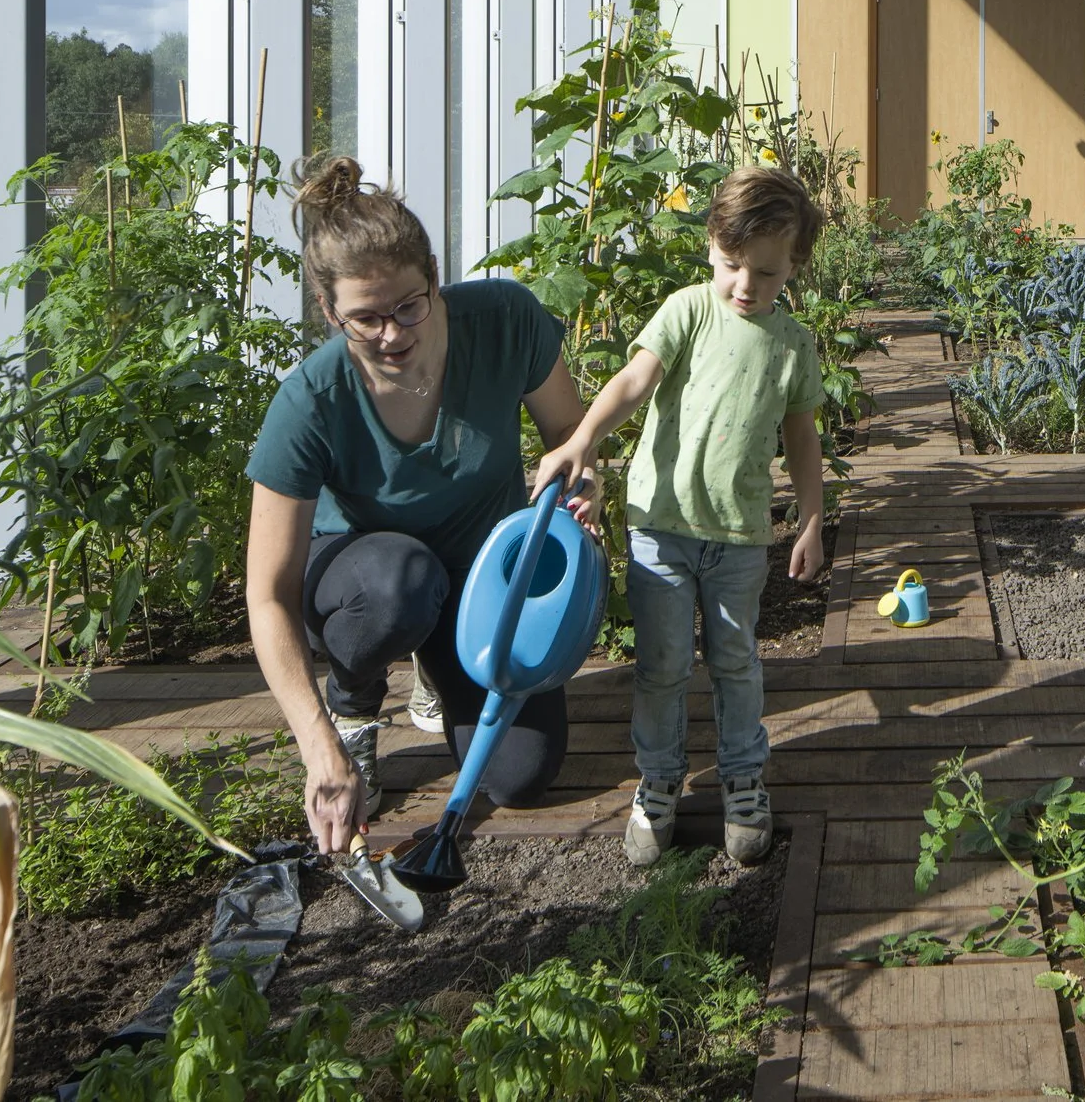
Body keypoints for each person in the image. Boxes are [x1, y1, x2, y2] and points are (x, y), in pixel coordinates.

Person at [244, 157, 588, 855]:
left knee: (520, 775)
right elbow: (267, 595)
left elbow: (568, 437)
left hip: (477, 581)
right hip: (363, 580)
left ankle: (439, 669)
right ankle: (355, 701)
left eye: (408, 306)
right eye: (365, 319)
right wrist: (316, 746)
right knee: (402, 582)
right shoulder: (309, 401)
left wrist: (582, 489)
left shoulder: (503, 322)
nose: (393, 334)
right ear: (328, 309)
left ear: (433, 273)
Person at [544, 165, 827, 868]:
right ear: (710, 246)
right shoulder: (688, 311)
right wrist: (583, 438)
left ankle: (742, 779)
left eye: (764, 272)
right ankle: (660, 780)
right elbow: (635, 379)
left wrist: (813, 517)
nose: (744, 285)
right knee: (663, 664)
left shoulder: (792, 344)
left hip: (737, 535)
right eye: (732, 264)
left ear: (794, 265)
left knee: (737, 661)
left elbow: (801, 437)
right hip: (660, 528)